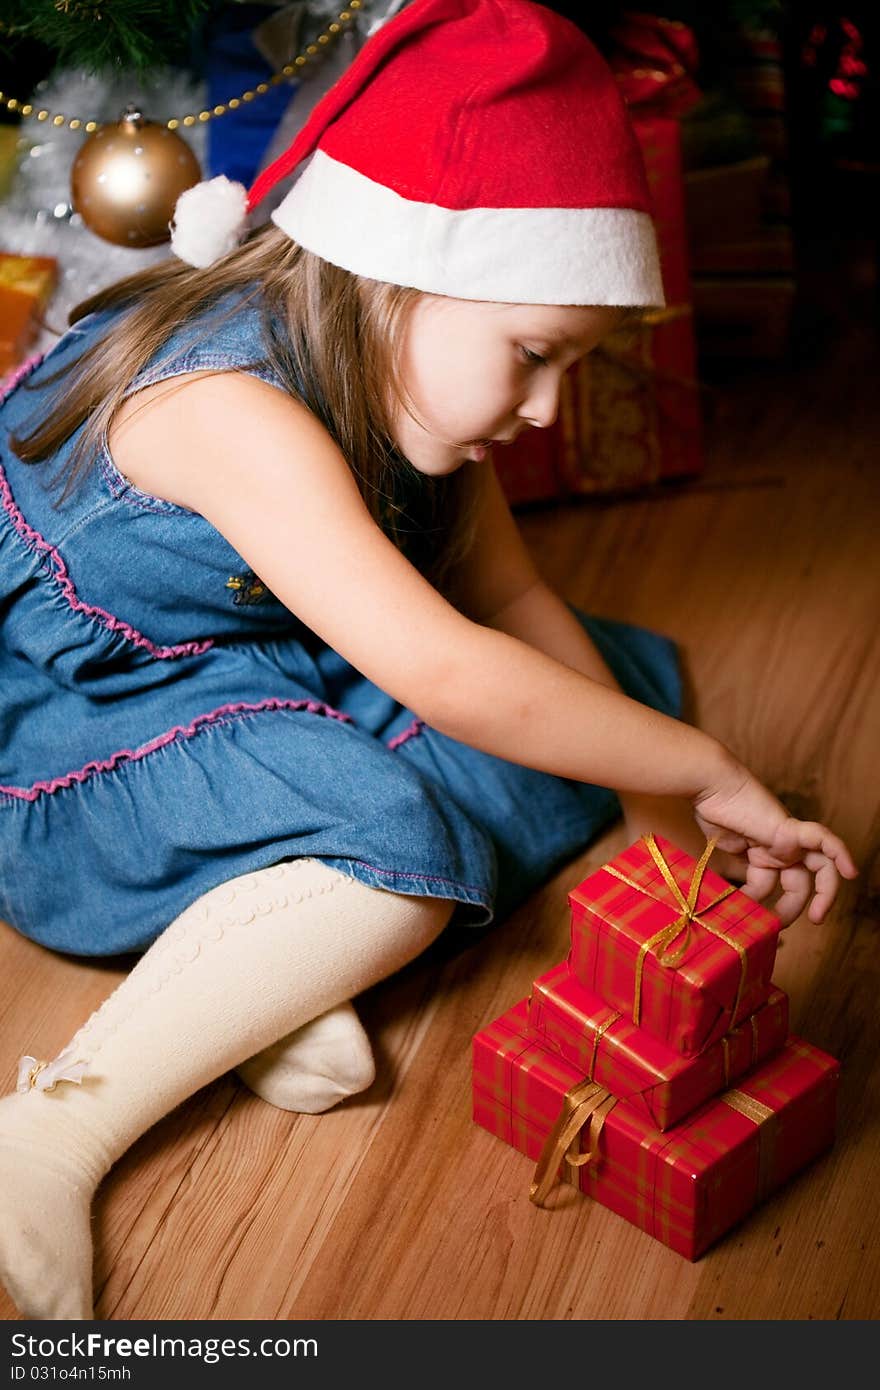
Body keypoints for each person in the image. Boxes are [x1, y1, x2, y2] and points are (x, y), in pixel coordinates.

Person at [0, 0, 858, 1321]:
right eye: (533, 359)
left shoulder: (395, 377)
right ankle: (54, 1137)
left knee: (602, 702)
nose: (543, 410)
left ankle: (250, 971)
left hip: (253, 661)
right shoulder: (231, 409)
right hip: (74, 721)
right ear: (400, 272)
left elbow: (508, 602)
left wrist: (662, 840)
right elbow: (454, 672)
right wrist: (704, 766)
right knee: (410, 839)